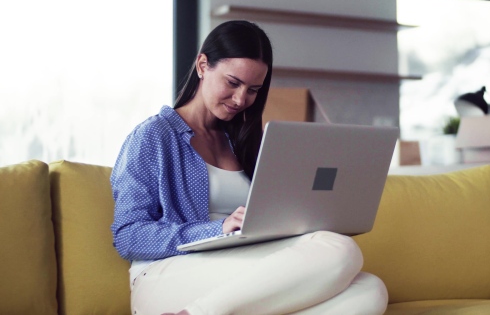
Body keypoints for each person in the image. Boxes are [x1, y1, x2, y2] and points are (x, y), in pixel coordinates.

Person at [110, 20, 388, 315]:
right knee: (340, 250)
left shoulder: (244, 140)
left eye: (253, 89)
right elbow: (128, 235)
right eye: (233, 83)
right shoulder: (154, 135)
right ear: (203, 66)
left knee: (369, 290)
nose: (241, 99)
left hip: (243, 269)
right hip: (166, 275)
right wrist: (217, 229)